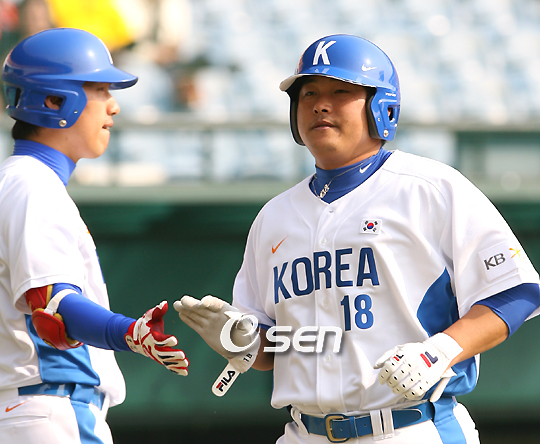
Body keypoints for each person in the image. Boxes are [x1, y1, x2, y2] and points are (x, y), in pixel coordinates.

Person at [175, 34, 540, 443]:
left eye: (340, 91)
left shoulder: (429, 187)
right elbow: (270, 352)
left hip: (410, 428)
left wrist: (440, 351)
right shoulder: (273, 218)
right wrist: (239, 340)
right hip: (304, 432)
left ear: (381, 107)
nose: (320, 105)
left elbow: (516, 291)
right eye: (308, 93)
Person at [0, 28, 189, 444]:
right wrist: (129, 332)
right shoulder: (32, 184)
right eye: (101, 89)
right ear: (55, 101)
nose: (113, 105)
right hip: (51, 406)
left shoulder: (18, 182)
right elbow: (52, 308)